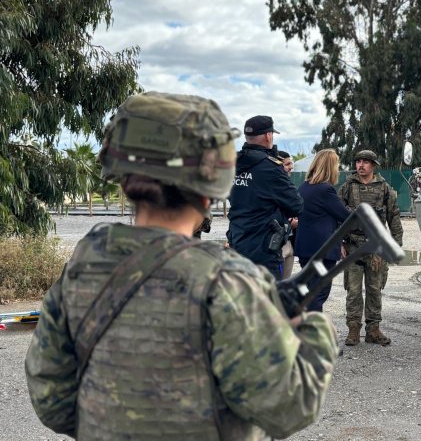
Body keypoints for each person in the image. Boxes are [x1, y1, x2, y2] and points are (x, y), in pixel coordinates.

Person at [25, 92, 337, 440]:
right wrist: (314, 329)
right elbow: (288, 410)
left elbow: (50, 398)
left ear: (126, 179)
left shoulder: (84, 263)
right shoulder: (229, 282)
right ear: (211, 187)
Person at [339, 150, 403, 346]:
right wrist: (338, 243)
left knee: (375, 290)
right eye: (358, 161)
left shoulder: (384, 188)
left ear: (374, 165)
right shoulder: (347, 187)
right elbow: (337, 216)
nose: (361, 165)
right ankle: (353, 330)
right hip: (352, 247)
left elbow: (394, 217)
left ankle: (373, 330)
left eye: (365, 162)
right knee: (353, 290)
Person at [226, 115, 303, 280]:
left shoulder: (232, 164)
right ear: (269, 136)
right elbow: (296, 205)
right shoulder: (270, 167)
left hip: (237, 242)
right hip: (264, 250)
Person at [295, 149, 351, 312]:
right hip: (322, 250)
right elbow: (346, 216)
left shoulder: (304, 188)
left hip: (306, 249)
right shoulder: (325, 190)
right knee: (317, 295)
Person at [277, 150, 299, 279]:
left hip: (289, 243)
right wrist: (288, 223)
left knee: (285, 286)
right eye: (287, 164)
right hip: (277, 245)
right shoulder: (271, 188)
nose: (291, 167)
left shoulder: (289, 186)